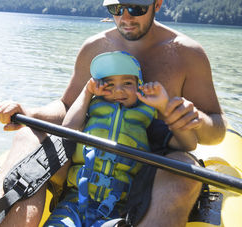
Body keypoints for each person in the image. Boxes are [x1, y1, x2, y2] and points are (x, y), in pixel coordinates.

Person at [0, 0, 227, 226]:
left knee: (182, 168)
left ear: (158, 3)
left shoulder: (187, 54)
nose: (125, 17)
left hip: (153, 166)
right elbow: (67, 105)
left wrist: (197, 120)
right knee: (28, 135)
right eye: (116, 7)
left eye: (136, 7)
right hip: (88, 161)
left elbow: (218, 128)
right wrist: (28, 112)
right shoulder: (94, 48)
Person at [45, 51, 197, 226]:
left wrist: (164, 106)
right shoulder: (90, 112)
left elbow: (189, 143)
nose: (118, 90)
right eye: (109, 84)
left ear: (139, 86)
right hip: (74, 202)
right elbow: (68, 130)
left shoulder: (147, 123)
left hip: (116, 209)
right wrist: (87, 92)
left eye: (127, 83)